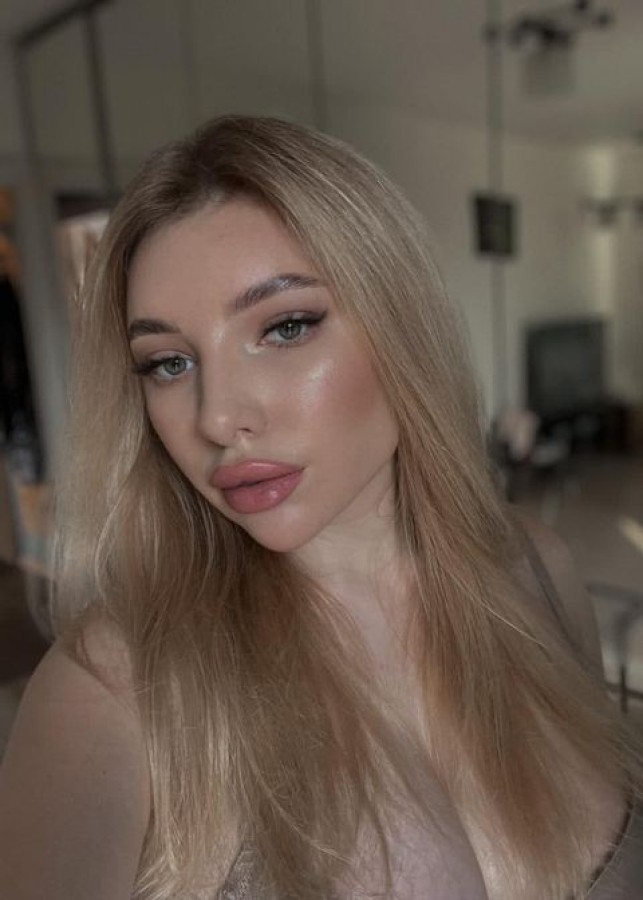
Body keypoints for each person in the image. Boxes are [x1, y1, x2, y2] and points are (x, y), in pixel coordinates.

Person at [0, 115, 641, 900]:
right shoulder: (111, 691)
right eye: (167, 363)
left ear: (401, 325)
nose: (216, 417)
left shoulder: (536, 574)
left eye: (286, 326)